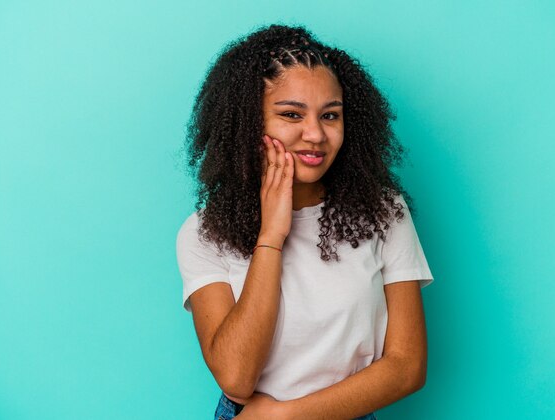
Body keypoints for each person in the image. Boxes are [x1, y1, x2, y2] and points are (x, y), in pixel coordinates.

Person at [176, 23, 434, 420]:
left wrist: (284, 416)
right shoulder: (204, 232)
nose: (315, 134)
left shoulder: (384, 212)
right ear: (248, 123)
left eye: (330, 115)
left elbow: (406, 367)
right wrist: (271, 237)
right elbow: (237, 379)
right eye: (291, 114)